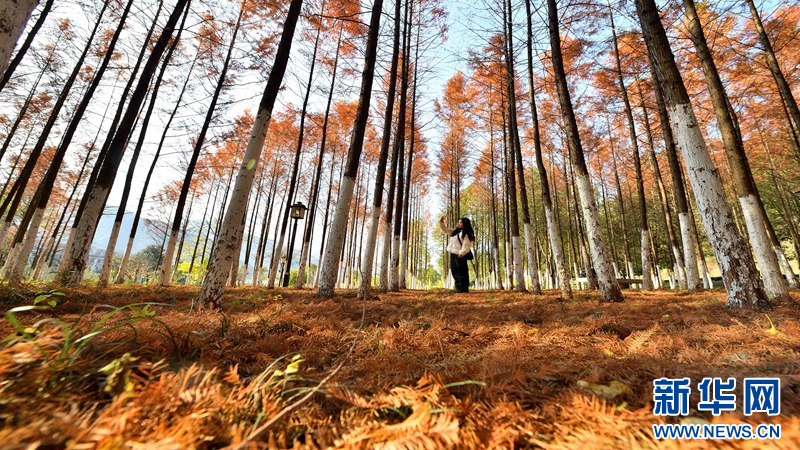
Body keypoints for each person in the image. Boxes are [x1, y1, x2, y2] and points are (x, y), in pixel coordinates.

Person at [439, 216, 474, 293]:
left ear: (465, 224)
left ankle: (464, 289)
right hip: (453, 254)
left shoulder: (466, 233)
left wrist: (462, 253)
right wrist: (441, 222)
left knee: (462, 271)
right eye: (459, 222)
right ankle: (458, 288)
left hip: (460, 255)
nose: (458, 223)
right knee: (454, 271)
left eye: (460, 222)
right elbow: (445, 230)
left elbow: (467, 244)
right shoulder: (455, 231)